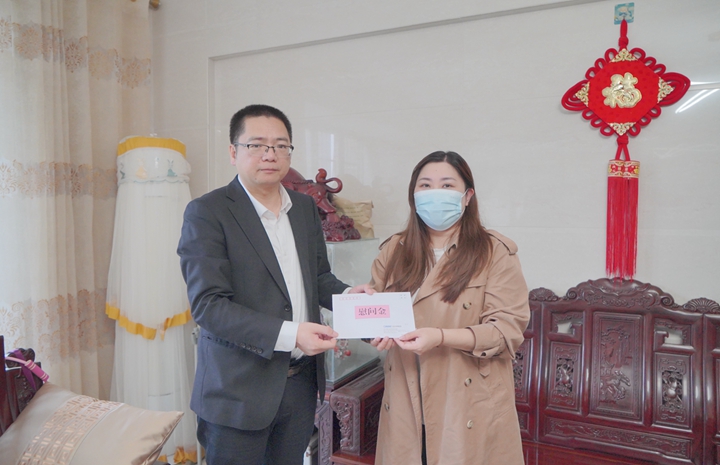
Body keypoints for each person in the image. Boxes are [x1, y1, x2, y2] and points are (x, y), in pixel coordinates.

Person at [177, 104, 371, 465]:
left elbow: (317, 276)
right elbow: (209, 305)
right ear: (234, 152)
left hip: (299, 387)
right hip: (238, 392)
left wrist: (348, 295)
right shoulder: (208, 212)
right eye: (257, 145)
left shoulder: (303, 207)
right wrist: (292, 334)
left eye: (281, 145)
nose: (270, 154)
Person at [368, 151, 530, 465]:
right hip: (404, 395)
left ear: (467, 196)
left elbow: (506, 331)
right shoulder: (393, 250)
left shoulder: (494, 251)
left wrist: (440, 337)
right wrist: (365, 316)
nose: (435, 194)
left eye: (446, 185)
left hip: (467, 400)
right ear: (414, 196)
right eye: (425, 185)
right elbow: (378, 315)